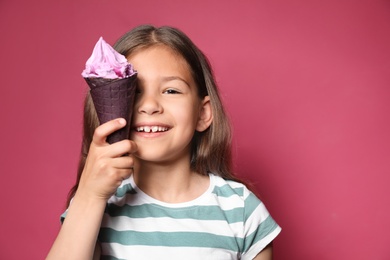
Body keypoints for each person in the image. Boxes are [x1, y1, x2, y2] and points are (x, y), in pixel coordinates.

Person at [47, 25, 281, 260]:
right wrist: (89, 195)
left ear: (202, 113)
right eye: (135, 91)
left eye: (170, 91)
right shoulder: (97, 203)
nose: (149, 105)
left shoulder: (242, 211)